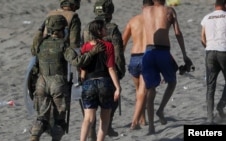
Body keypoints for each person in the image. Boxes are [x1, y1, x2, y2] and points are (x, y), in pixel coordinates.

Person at [29, 15, 105, 141]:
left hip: (41, 82)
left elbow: (34, 48)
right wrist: (92, 52)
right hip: (58, 83)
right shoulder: (63, 45)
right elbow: (77, 61)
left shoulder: (41, 44)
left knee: (42, 116)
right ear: (60, 30)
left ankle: (34, 135)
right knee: (59, 119)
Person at [141, 0, 193, 134]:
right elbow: (178, 33)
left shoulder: (145, 11)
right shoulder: (169, 10)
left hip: (148, 53)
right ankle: (161, 109)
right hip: (163, 52)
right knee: (172, 82)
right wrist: (184, 55)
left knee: (150, 90)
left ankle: (151, 127)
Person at [81, 0, 126, 139]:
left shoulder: (88, 28)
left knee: (89, 113)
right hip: (107, 74)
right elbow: (118, 54)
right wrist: (120, 73)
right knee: (108, 109)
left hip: (89, 74)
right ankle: (106, 128)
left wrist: (82, 75)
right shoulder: (112, 29)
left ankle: (92, 133)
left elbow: (83, 53)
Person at [122, 0, 153, 130]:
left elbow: (123, 42)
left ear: (142, 7)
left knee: (138, 90)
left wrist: (120, 60)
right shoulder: (153, 21)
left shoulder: (133, 20)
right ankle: (137, 120)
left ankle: (142, 118)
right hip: (147, 56)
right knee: (145, 91)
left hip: (134, 57)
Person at [200, 0, 226, 124]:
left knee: (210, 87)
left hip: (210, 52)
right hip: (224, 52)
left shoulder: (207, 17)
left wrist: (209, 46)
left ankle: (209, 118)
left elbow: (202, 38)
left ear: (215, 6)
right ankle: (221, 105)